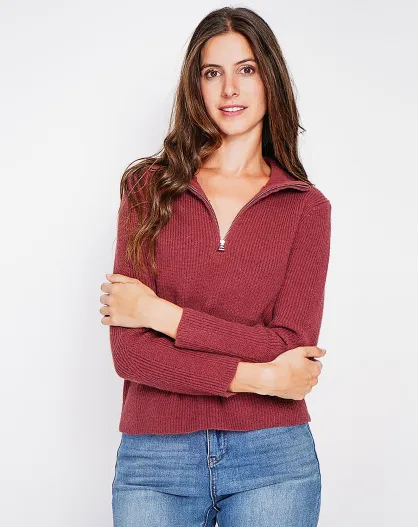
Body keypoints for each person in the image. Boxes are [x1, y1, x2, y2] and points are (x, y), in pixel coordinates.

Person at [99, 6, 331, 527]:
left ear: (270, 80)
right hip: (155, 460)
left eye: (246, 69)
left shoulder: (306, 208)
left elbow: (290, 346)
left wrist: (160, 314)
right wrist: (262, 378)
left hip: (273, 458)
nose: (230, 89)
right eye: (212, 72)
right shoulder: (148, 189)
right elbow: (131, 355)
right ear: (195, 86)